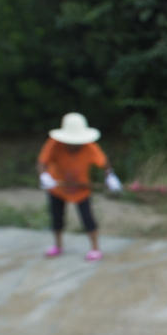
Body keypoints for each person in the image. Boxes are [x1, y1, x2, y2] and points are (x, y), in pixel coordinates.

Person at [36, 112, 121, 261]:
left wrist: (110, 177)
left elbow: (104, 163)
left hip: (81, 188)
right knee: (57, 218)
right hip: (57, 186)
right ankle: (58, 245)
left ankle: (95, 248)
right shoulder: (54, 144)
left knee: (87, 218)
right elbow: (42, 162)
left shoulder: (89, 147)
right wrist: (44, 176)